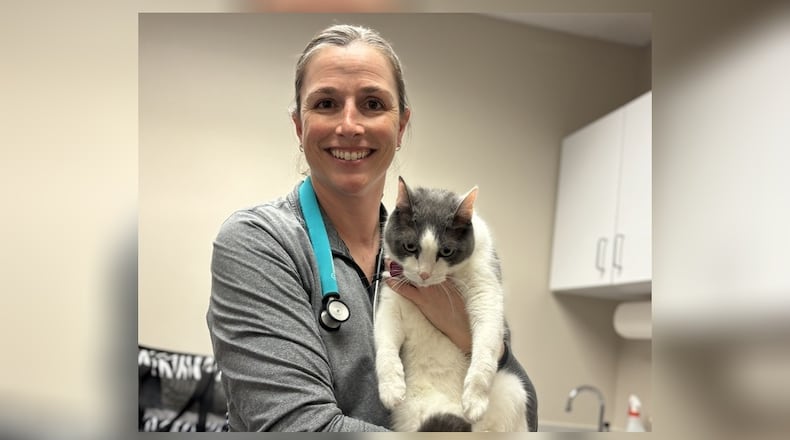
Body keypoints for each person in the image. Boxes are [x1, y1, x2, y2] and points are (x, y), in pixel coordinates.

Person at [206, 23, 538, 432]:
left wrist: (474, 341)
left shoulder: (434, 253)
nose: (349, 125)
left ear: (400, 128)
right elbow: (295, 426)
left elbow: (527, 411)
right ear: (298, 126)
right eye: (326, 103)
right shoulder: (260, 243)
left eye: (373, 104)